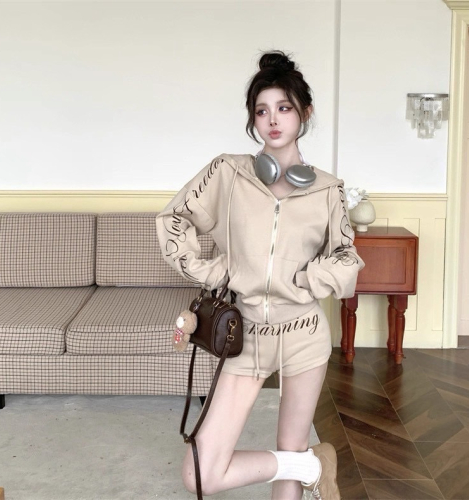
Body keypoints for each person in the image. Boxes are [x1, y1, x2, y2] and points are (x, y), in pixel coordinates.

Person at [156, 50, 365, 500]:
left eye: (284, 108)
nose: (272, 120)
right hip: (244, 334)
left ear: (305, 112)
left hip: (304, 333)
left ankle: (299, 462)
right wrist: (212, 269)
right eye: (261, 110)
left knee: (289, 445)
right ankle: (311, 465)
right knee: (200, 475)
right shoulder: (228, 173)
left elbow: (347, 258)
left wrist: (305, 280)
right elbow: (173, 218)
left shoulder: (328, 190)